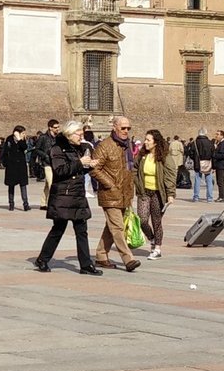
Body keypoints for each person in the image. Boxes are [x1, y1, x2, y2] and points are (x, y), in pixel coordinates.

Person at [33, 120, 101, 274]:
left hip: (77, 195)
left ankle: (85, 265)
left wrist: (88, 167)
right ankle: (42, 259)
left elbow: (75, 172)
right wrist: (80, 162)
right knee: (58, 229)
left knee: (82, 230)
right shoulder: (57, 149)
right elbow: (60, 171)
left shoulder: (77, 149)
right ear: (70, 135)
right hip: (64, 196)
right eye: (79, 134)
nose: (81, 136)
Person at [90, 115, 141, 272]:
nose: (126, 131)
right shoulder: (104, 146)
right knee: (118, 227)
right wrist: (109, 184)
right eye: (123, 128)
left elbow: (129, 170)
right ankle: (128, 259)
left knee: (111, 227)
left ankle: (101, 255)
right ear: (114, 127)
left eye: (128, 128)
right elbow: (94, 169)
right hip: (110, 194)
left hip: (125, 193)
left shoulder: (127, 146)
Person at [135, 127, 172, 259]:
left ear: (155, 142)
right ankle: (151, 237)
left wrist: (170, 194)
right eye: (145, 139)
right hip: (144, 192)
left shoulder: (164, 157)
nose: (145, 142)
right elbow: (135, 169)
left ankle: (157, 248)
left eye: (148, 140)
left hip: (158, 193)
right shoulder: (142, 155)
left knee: (156, 221)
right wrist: (136, 182)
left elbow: (170, 175)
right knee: (142, 219)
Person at [0, 125, 32, 211]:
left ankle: (26, 204)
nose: (24, 134)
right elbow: (5, 151)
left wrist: (20, 139)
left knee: (23, 185)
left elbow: (24, 147)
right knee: (11, 185)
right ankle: (11, 203)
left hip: (21, 165)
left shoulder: (22, 140)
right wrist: (5, 163)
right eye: (23, 133)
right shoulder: (9, 139)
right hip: (12, 166)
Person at [186, 128, 216, 203]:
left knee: (197, 180)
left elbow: (190, 153)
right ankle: (209, 198)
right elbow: (213, 154)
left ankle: (196, 197)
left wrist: (195, 159)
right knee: (209, 180)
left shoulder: (195, 142)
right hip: (208, 163)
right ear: (206, 133)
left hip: (197, 163)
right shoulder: (210, 142)